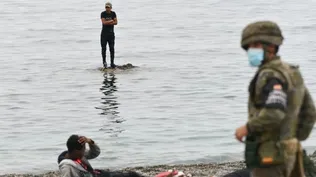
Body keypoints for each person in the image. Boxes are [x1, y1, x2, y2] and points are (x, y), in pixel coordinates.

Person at [234, 20, 316, 177]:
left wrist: (247, 128)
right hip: (293, 153)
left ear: (270, 46)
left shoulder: (269, 75)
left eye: (255, 46)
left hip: (270, 157)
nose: (251, 51)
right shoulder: (292, 72)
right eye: (249, 47)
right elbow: (310, 113)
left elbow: (274, 113)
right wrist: (293, 139)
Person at [58, 134, 143, 177]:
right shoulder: (66, 166)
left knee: (131, 174)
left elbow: (95, 153)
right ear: (76, 150)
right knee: (131, 175)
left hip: (98, 174)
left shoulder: (77, 155)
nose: (84, 151)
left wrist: (89, 141)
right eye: (83, 149)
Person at [100, 2, 118, 68]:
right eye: (106, 7)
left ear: (111, 8)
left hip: (111, 34)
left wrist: (110, 22)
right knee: (104, 49)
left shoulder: (113, 13)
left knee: (112, 48)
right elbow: (104, 22)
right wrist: (111, 21)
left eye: (108, 7)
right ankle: (104, 63)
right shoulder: (103, 13)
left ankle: (112, 63)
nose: (107, 8)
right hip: (104, 34)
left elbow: (116, 22)